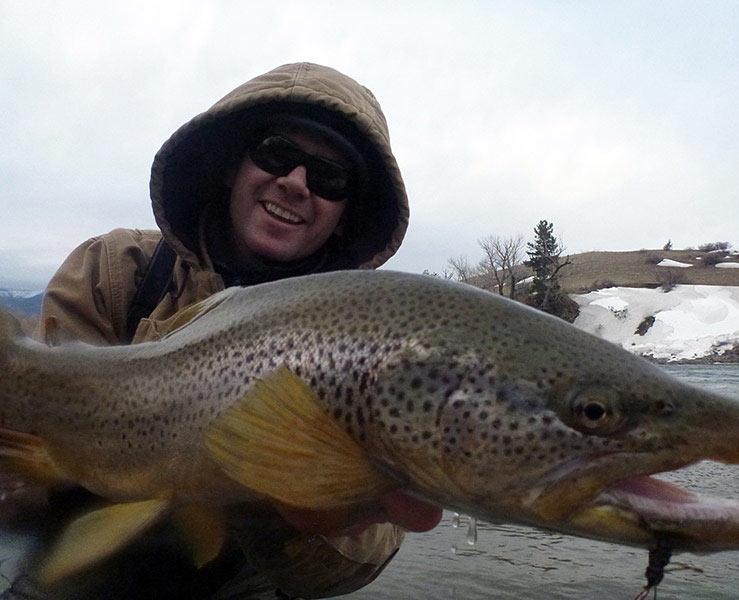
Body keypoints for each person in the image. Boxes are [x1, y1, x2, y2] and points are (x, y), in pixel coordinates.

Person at [0, 62, 442, 599]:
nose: (296, 182)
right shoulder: (117, 269)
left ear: (346, 214)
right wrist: (34, 476)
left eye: (330, 177)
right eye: (277, 153)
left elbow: (356, 563)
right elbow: (21, 492)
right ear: (233, 165)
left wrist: (305, 512)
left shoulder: (375, 350)